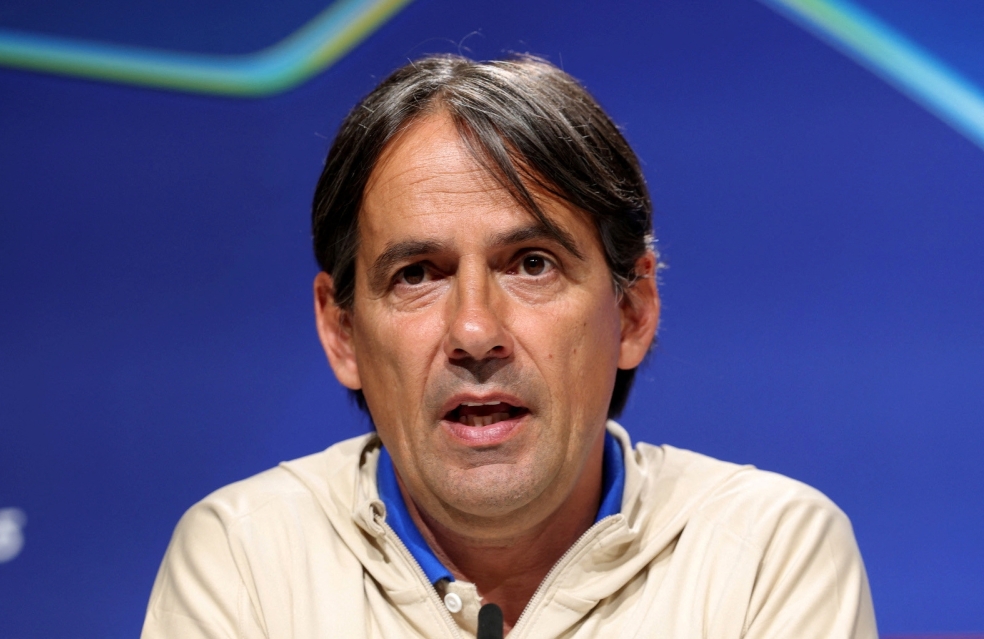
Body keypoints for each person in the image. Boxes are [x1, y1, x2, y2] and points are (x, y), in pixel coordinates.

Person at [141, 54, 877, 639]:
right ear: (343, 331)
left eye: (532, 263)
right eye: (418, 274)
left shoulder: (766, 554)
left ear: (632, 308)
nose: (473, 332)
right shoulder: (245, 558)